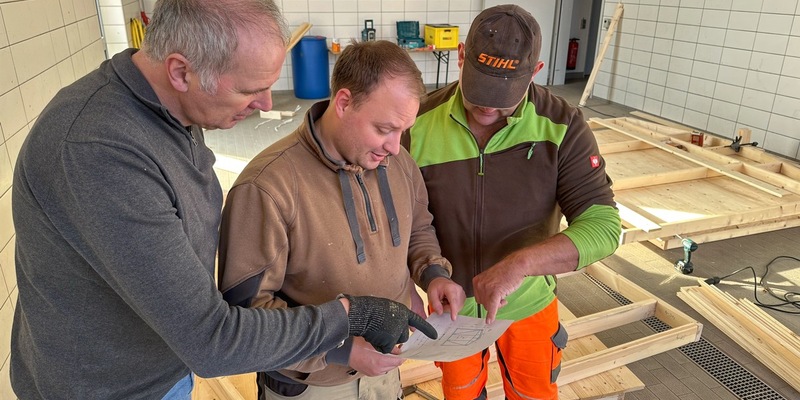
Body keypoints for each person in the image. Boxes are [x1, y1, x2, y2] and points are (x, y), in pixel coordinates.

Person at [10, 1, 437, 398]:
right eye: (250, 89)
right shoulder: (99, 152)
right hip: (110, 389)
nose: (266, 104)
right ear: (181, 71)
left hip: (162, 367)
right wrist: (348, 318)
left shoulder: (171, 112)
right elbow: (212, 340)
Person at [217, 40, 466, 400]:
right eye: (384, 129)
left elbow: (418, 227)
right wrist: (342, 349)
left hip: (386, 367)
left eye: (403, 130)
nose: (395, 146)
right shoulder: (267, 188)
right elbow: (245, 320)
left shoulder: (397, 162)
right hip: (312, 383)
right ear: (344, 102)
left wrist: (433, 273)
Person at [404, 5, 622, 400]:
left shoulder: (563, 126)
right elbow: (402, 221)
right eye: (480, 88)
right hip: (452, 310)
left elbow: (604, 228)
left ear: (535, 71)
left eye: (503, 94)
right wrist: (429, 275)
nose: (488, 107)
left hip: (529, 304)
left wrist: (519, 265)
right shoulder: (417, 124)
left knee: (533, 394)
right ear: (461, 56)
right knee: (461, 393)